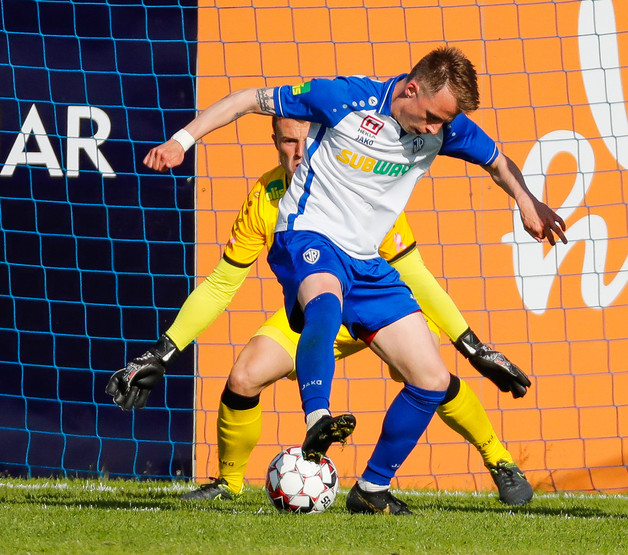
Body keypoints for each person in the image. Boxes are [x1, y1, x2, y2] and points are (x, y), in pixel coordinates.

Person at [130, 46, 568, 514]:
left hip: (366, 262)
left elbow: (496, 161)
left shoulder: (445, 127)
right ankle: (315, 419)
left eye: (444, 122)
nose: (436, 130)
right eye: (432, 117)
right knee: (320, 307)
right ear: (411, 89)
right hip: (309, 236)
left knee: (432, 378)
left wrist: (527, 202)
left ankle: (372, 489)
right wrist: (182, 141)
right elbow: (246, 100)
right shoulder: (343, 99)